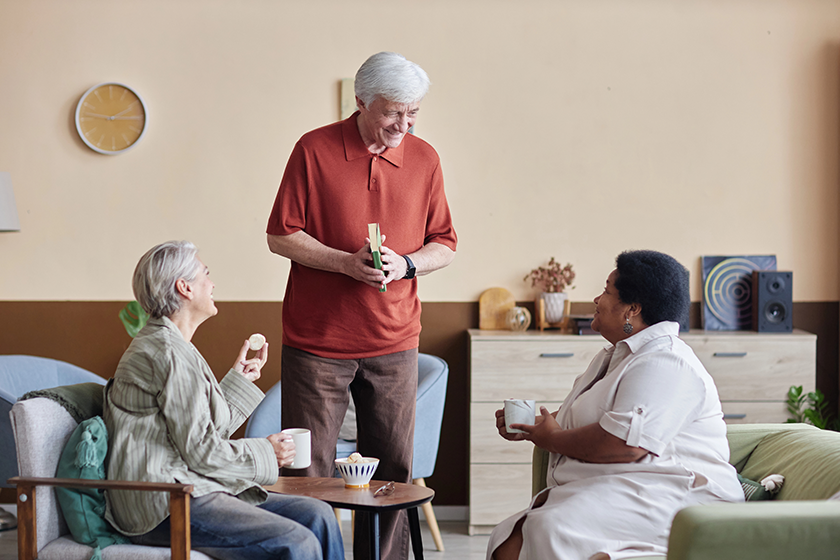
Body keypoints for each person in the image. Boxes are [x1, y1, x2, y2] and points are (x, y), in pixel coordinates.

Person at [266, 51, 457, 559]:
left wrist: (408, 265)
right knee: (308, 469)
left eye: (414, 113)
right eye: (394, 112)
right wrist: (343, 263)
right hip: (316, 341)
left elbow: (445, 243)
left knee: (394, 469)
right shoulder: (313, 149)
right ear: (361, 102)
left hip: (395, 339)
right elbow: (280, 236)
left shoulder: (425, 158)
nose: (405, 124)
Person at [488, 250, 744, 560]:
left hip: (674, 495)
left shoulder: (667, 361)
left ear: (632, 309)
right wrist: (529, 428)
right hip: (628, 484)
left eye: (607, 291)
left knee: (550, 527)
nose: (597, 298)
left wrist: (551, 439)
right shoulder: (615, 356)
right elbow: (588, 416)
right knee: (509, 536)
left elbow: (625, 444)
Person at [103, 241, 344, 560]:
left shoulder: (173, 345)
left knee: (319, 516)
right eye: (206, 274)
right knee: (298, 542)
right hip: (163, 502)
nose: (212, 283)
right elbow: (202, 451)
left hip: (187, 486)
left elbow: (201, 434)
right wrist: (266, 451)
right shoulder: (167, 353)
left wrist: (238, 381)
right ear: (184, 287)